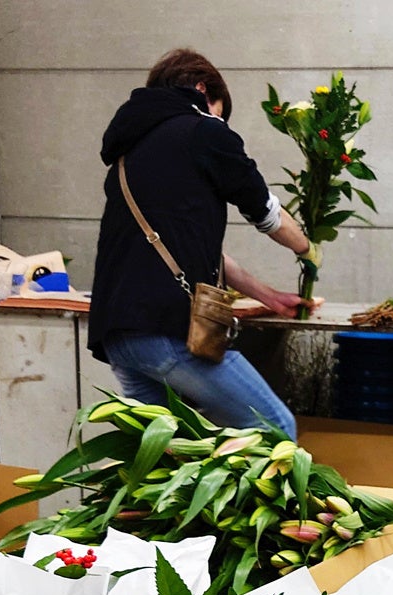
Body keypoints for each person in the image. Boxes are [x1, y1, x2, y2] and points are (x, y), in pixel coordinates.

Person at [88, 48, 319, 437]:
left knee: (170, 462)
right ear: (201, 89)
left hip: (121, 337)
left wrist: (270, 298)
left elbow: (192, 251)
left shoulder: (130, 151)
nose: (220, 123)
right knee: (274, 429)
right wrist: (307, 249)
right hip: (167, 331)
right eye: (219, 112)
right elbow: (265, 212)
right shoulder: (203, 130)